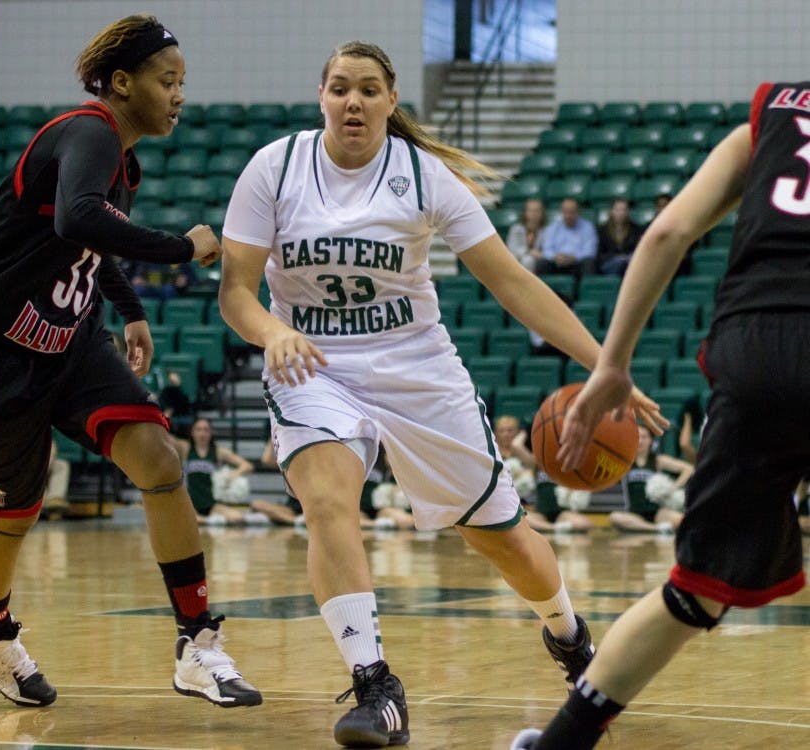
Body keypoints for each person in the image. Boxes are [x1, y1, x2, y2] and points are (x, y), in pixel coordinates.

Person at [218, 40, 665, 748]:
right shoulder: (274, 168)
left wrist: (608, 366)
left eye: (368, 89)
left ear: (392, 101)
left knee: (507, 545)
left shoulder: (424, 179)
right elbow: (236, 290)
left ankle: (569, 633)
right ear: (322, 95)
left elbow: (513, 283)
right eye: (340, 88)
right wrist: (272, 332)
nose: (353, 101)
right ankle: (375, 686)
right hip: (313, 367)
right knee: (327, 499)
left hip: (417, 370)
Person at [0, 14, 260, 710]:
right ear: (120, 81)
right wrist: (180, 246)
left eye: (183, 84)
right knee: (13, 515)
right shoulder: (87, 131)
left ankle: (196, 643)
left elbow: (88, 243)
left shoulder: (119, 158)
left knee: (159, 461)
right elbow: (77, 217)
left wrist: (130, 308)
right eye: (167, 81)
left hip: (72, 343)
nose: (179, 96)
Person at [511, 81, 810, 750]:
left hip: (759, 343)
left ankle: (562, 745)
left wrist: (612, 364)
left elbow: (669, 229)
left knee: (696, 588)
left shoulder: (774, 114)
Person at [608, 424, 692, 533]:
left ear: (651, 440)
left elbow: (688, 469)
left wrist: (672, 488)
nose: (641, 440)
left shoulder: (658, 460)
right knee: (614, 517)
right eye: (637, 436)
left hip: (658, 513)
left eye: (644, 437)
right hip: (634, 514)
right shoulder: (624, 462)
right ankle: (657, 528)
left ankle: (647, 528)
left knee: (683, 520)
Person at [175, 417, 257, 525]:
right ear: (192, 432)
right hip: (190, 503)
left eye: (206, 430)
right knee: (182, 518)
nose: (202, 433)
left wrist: (234, 473)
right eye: (198, 429)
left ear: (211, 432)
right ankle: (210, 521)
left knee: (238, 518)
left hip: (212, 503)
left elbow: (248, 466)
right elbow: (164, 438)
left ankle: (207, 520)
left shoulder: (219, 452)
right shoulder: (185, 448)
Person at [537, 197, 598, 278]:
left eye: (571, 212)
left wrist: (573, 257)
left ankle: (585, 289)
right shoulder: (553, 228)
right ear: (561, 212)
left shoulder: (588, 228)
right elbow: (547, 249)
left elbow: (590, 251)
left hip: (577, 263)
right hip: (557, 263)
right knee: (542, 264)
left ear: (578, 212)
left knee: (589, 263)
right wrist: (555, 257)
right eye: (565, 212)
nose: (568, 216)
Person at [595, 198, 642, 276]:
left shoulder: (635, 229)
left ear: (627, 212)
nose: (621, 213)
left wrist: (626, 258)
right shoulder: (602, 230)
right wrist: (617, 257)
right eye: (618, 210)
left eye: (624, 210)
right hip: (609, 263)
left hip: (628, 263)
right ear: (612, 211)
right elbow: (600, 254)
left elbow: (636, 250)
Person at [505, 198, 546, 271]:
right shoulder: (516, 229)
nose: (533, 214)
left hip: (537, 264)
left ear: (542, 213)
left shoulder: (546, 231)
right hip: (516, 260)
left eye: (537, 211)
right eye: (530, 211)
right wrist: (528, 251)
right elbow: (511, 249)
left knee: (528, 260)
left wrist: (540, 255)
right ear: (526, 213)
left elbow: (548, 253)